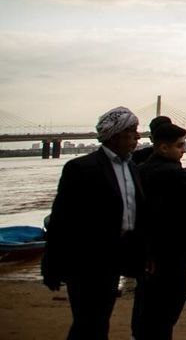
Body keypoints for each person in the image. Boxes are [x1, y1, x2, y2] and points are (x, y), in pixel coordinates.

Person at [42, 107, 143, 340]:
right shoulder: (81, 168)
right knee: (89, 321)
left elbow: (135, 214)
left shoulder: (132, 168)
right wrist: (52, 265)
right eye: (132, 131)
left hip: (116, 256)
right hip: (86, 258)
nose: (138, 136)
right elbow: (61, 218)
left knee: (100, 318)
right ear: (115, 134)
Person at [134, 119, 186, 340]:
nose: (183, 150)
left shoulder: (140, 170)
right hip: (172, 250)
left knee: (147, 310)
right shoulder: (172, 173)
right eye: (179, 145)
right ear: (163, 147)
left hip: (149, 251)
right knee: (167, 310)